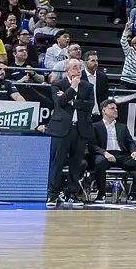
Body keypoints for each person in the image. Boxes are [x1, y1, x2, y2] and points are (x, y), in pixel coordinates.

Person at [45, 59, 95, 208]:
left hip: (80, 129)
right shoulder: (58, 84)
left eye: (80, 67)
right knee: (57, 163)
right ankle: (53, 194)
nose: (78, 70)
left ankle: (72, 193)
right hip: (61, 129)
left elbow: (90, 105)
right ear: (67, 70)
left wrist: (72, 101)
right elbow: (59, 102)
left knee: (76, 163)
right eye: (74, 67)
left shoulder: (88, 86)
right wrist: (72, 88)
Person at [88, 99, 136, 203]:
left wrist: (133, 151)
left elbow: (130, 142)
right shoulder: (95, 126)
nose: (115, 110)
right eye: (112, 108)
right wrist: (104, 153)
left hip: (121, 155)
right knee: (100, 162)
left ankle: (133, 194)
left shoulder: (122, 127)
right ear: (104, 111)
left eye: (116, 108)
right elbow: (92, 145)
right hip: (104, 154)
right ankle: (101, 194)